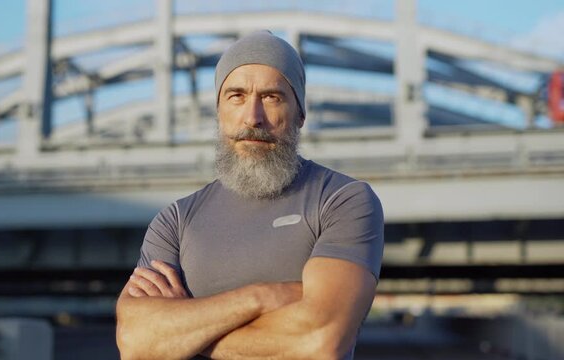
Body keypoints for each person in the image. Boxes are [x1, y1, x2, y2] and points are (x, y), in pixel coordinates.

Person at [116, 30, 384, 360]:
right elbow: (134, 342)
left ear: (300, 114)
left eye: (272, 97)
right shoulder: (176, 221)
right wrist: (262, 296)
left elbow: (321, 342)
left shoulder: (342, 200)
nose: (253, 117)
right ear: (219, 111)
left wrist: (182, 331)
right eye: (237, 96)